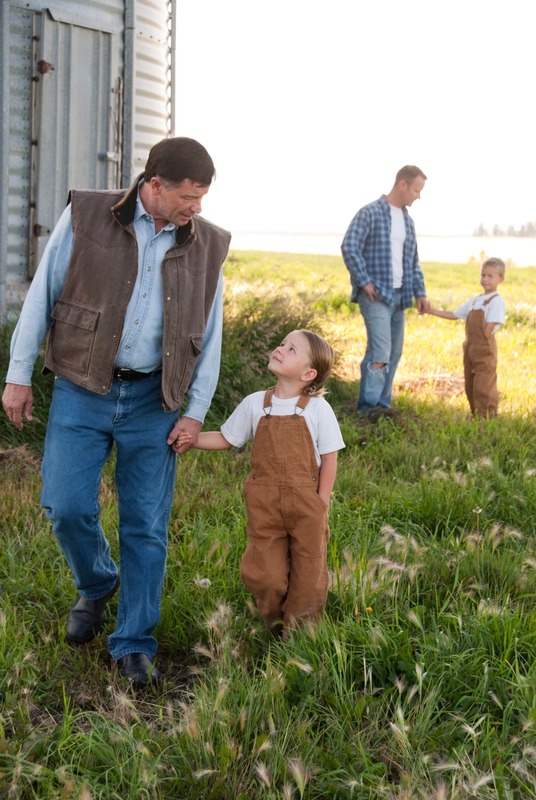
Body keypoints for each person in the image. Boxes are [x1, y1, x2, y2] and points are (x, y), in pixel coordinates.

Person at [2, 137, 231, 688]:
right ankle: (99, 582)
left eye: (202, 197)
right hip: (83, 390)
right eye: (186, 195)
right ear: (153, 184)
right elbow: (42, 294)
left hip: (156, 400)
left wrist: (195, 411)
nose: (195, 207)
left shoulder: (209, 245)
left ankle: (133, 642)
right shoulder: (85, 215)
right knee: (65, 504)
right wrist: (18, 374)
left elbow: (212, 334)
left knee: (146, 528)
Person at [175, 330, 345, 639]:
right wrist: (192, 439)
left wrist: (321, 502)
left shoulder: (319, 410)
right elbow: (227, 438)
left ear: (308, 374)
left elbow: (329, 458)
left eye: (292, 349)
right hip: (264, 506)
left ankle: (298, 640)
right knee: (265, 575)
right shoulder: (256, 404)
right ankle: (274, 621)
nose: (281, 348)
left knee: (309, 572)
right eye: (282, 343)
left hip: (307, 504)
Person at [341, 165, 429, 417]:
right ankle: (367, 411)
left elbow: (413, 260)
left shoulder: (407, 221)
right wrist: (364, 280)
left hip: (400, 296)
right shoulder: (370, 213)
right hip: (375, 295)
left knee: (393, 353)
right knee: (380, 352)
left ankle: (383, 407)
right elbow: (349, 246)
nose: (417, 196)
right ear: (402, 184)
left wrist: (420, 293)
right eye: (416, 190)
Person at [425, 257, 506, 417]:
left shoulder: (496, 301)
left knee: (483, 383)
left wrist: (484, 334)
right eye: (483, 275)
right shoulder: (475, 300)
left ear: (500, 279)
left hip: (484, 348)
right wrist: (431, 310)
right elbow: (455, 314)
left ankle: (487, 416)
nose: (485, 279)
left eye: (490, 276)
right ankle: (475, 413)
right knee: (470, 382)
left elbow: (490, 326)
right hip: (470, 347)